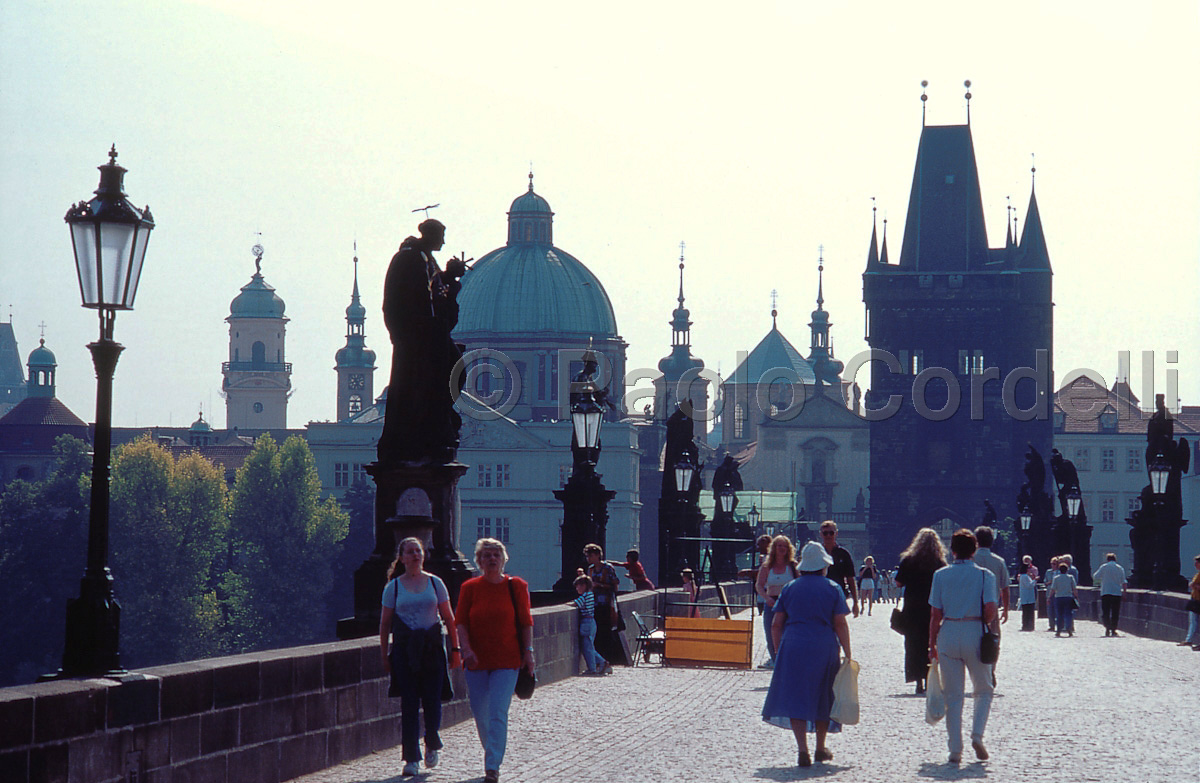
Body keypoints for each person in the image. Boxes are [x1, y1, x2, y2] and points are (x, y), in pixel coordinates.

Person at [378, 218, 469, 465]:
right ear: (429, 235)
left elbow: (435, 294)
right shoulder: (410, 259)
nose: (444, 241)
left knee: (454, 371)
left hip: (427, 336)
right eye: (441, 235)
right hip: (417, 340)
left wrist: (449, 277)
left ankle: (438, 427)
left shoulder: (423, 259)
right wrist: (448, 279)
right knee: (437, 378)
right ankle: (428, 433)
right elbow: (422, 300)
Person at [761, 541, 853, 768]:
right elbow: (840, 623)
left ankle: (802, 750)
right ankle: (820, 747)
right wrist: (848, 653)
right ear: (823, 566)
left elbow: (776, 624)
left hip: (793, 646)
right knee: (823, 695)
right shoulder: (832, 588)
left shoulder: (790, 588)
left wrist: (778, 651)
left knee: (796, 696)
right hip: (823, 645)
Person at [456, 538, 535, 783]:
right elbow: (460, 623)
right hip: (476, 660)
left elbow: (526, 623)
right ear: (479, 560)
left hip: (507, 658)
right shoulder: (470, 588)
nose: (492, 559)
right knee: (480, 714)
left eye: (496, 555)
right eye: (487, 555)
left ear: (503, 559)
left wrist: (529, 652)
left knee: (498, 711)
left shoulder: (517, 586)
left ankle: (492, 767)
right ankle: (491, 752)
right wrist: (466, 649)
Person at [380, 537, 460, 777]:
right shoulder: (393, 587)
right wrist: (384, 654)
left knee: (433, 700)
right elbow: (385, 624)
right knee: (409, 703)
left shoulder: (435, 583)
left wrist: (455, 649)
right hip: (405, 651)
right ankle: (411, 757)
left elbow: (449, 618)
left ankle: (432, 742)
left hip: (432, 648)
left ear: (423, 556)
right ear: (402, 557)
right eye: (410, 552)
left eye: (418, 551)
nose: (415, 555)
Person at [928, 529, 998, 764]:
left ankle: (955, 750)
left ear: (953, 550)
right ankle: (977, 735)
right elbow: (990, 609)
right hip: (974, 630)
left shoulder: (940, 575)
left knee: (953, 695)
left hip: (948, 631)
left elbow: (935, 614)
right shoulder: (985, 575)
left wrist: (932, 644)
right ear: (975, 549)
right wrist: (983, 624)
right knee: (984, 689)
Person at [895, 528, 947, 694]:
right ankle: (930, 676)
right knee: (931, 643)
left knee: (913, 644)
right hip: (932, 608)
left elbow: (898, 582)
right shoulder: (939, 563)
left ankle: (917, 679)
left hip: (912, 607)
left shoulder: (909, 560)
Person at [973, 526, 1009, 684]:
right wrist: (1006, 609)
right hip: (992, 608)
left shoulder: (970, 560)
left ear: (976, 541)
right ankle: (990, 669)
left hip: (971, 608)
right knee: (993, 641)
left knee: (972, 642)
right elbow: (1005, 588)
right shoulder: (998, 561)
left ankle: (977, 673)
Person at [755, 535, 798, 669]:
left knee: (789, 633)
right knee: (771, 632)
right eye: (779, 545)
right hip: (771, 602)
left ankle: (789, 661)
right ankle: (776, 661)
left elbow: (800, 583)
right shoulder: (767, 566)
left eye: (784, 546)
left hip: (789, 603)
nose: (782, 548)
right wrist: (766, 598)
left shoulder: (793, 566)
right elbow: (759, 585)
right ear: (774, 548)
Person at [584, 544, 624, 664]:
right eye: (587, 556)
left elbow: (615, 586)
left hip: (606, 605)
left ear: (597, 555)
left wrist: (599, 585)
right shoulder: (590, 569)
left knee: (605, 633)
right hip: (593, 605)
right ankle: (598, 661)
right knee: (595, 635)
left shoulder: (607, 568)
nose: (588, 558)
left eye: (590, 555)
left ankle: (607, 659)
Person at [572, 575, 611, 675]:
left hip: (586, 623)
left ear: (584, 586)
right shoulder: (591, 594)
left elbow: (576, 604)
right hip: (591, 622)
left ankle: (593, 668)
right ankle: (602, 663)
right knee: (589, 647)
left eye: (578, 586)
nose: (577, 589)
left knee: (587, 648)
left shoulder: (585, 596)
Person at [819, 521, 860, 617]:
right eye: (825, 533)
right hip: (819, 595)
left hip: (838, 595)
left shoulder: (843, 553)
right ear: (821, 534)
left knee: (838, 625)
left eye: (831, 533)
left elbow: (850, 579)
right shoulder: (817, 553)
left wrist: (855, 602)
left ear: (836, 533)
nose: (828, 535)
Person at [1093, 553, 1128, 637]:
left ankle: (1107, 627)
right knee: (1115, 612)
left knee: (1106, 611)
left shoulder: (1104, 567)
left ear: (1107, 559)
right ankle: (1113, 629)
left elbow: (1095, 576)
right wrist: (1124, 592)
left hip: (1106, 592)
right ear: (1115, 559)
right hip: (1116, 593)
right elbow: (1124, 582)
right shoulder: (1120, 568)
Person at [1049, 561, 1078, 638]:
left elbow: (1053, 589)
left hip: (1058, 597)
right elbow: (1074, 589)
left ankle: (1059, 630)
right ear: (1067, 570)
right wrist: (1076, 596)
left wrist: (1049, 597)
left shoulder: (1056, 578)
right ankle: (1068, 628)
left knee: (1059, 614)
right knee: (1068, 614)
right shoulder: (1071, 577)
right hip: (1068, 597)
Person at [1184, 555, 1200, 650]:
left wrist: (1196, 586)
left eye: (1197, 562)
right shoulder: (1197, 574)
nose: (1195, 564)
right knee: (1193, 621)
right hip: (1195, 600)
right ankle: (1188, 639)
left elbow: (1194, 585)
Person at [1017, 561, 1038, 631]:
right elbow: (1029, 585)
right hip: (1028, 598)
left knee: (1026, 612)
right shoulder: (1025, 576)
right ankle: (1029, 626)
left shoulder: (1023, 576)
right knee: (1029, 612)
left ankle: (1026, 625)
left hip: (1025, 597)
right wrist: (1035, 580)